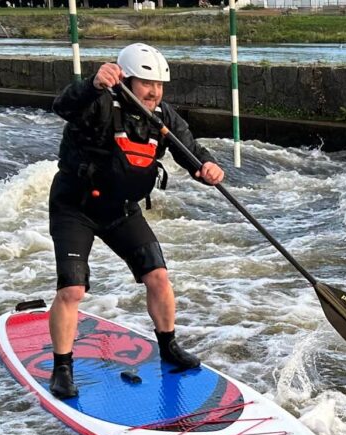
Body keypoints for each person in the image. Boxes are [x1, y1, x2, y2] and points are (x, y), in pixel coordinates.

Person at [46, 43, 225, 399]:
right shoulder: (98, 101)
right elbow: (62, 106)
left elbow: (188, 148)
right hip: (75, 206)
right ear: (126, 79)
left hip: (120, 209)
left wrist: (205, 167)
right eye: (146, 83)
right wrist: (93, 84)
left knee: (158, 276)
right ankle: (62, 367)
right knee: (72, 289)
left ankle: (169, 346)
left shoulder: (163, 116)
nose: (154, 92)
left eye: (159, 85)